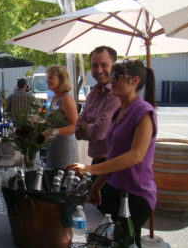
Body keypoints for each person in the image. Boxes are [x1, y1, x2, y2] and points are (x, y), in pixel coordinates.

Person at [67, 59, 157, 248]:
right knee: (110, 241)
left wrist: (91, 169)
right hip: (114, 189)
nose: (111, 80)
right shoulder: (119, 112)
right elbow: (113, 157)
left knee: (127, 242)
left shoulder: (144, 113)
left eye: (116, 76)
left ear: (134, 81)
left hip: (135, 195)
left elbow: (136, 155)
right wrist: (96, 186)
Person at [75, 46, 121, 165]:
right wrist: (91, 126)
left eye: (104, 65)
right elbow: (77, 130)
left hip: (112, 165)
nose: (99, 70)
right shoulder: (92, 95)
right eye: (95, 66)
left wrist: (86, 126)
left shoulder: (116, 94)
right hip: (96, 162)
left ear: (114, 66)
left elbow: (98, 132)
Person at [42, 65, 78, 169]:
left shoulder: (67, 99)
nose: (47, 81)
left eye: (51, 78)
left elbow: (75, 126)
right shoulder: (54, 98)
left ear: (61, 79)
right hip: (52, 150)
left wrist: (54, 131)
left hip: (64, 152)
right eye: (47, 78)